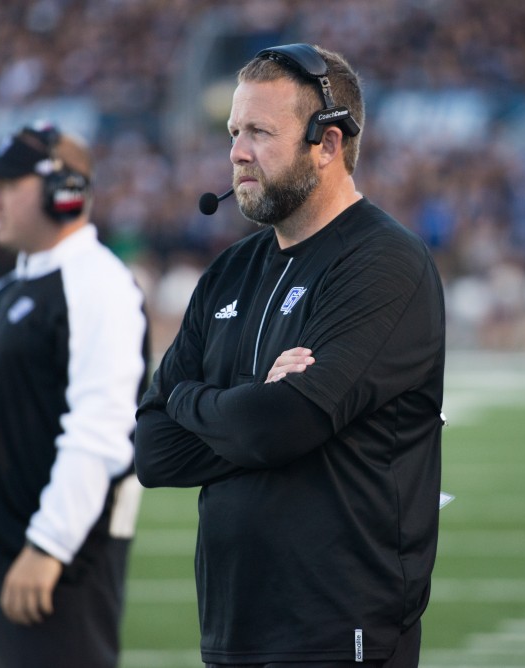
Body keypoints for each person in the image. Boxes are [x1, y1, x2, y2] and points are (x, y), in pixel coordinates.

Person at [134, 43, 446, 667]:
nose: (236, 153)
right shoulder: (228, 272)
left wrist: (195, 400)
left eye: (259, 132)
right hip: (232, 626)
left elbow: (279, 428)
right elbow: (153, 448)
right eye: (232, 132)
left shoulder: (385, 264)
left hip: (338, 629)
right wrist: (243, 405)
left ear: (328, 144)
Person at [0, 122, 150, 668]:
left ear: (62, 192)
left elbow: (103, 427)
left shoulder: (99, 284)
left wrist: (48, 546)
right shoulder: (6, 289)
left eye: (7, 185)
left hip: (48, 573)